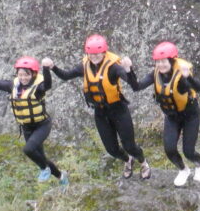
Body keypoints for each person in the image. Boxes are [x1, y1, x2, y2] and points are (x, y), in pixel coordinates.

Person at [45, 34, 151, 179]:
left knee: (129, 146)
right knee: (112, 150)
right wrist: (53, 67)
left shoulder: (114, 67)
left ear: (104, 52)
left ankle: (143, 161)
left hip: (118, 110)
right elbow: (66, 76)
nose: (94, 56)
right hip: (100, 113)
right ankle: (128, 160)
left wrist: (128, 70)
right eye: (91, 53)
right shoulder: (84, 65)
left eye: (97, 53)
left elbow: (133, 85)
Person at [0, 57, 68, 185]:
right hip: (27, 127)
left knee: (29, 150)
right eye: (20, 74)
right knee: (41, 157)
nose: (23, 78)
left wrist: (45, 69)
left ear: (33, 74)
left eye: (26, 75)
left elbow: (48, 85)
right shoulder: (13, 86)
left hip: (42, 125)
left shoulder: (38, 88)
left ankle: (44, 169)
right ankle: (62, 177)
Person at [128, 41, 200, 187]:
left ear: (171, 60)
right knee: (169, 149)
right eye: (158, 61)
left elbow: (199, 88)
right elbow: (137, 87)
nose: (160, 65)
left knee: (188, 151)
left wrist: (188, 77)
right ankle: (183, 170)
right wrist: (129, 71)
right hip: (172, 117)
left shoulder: (181, 75)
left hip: (190, 115)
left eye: (163, 61)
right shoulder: (156, 74)